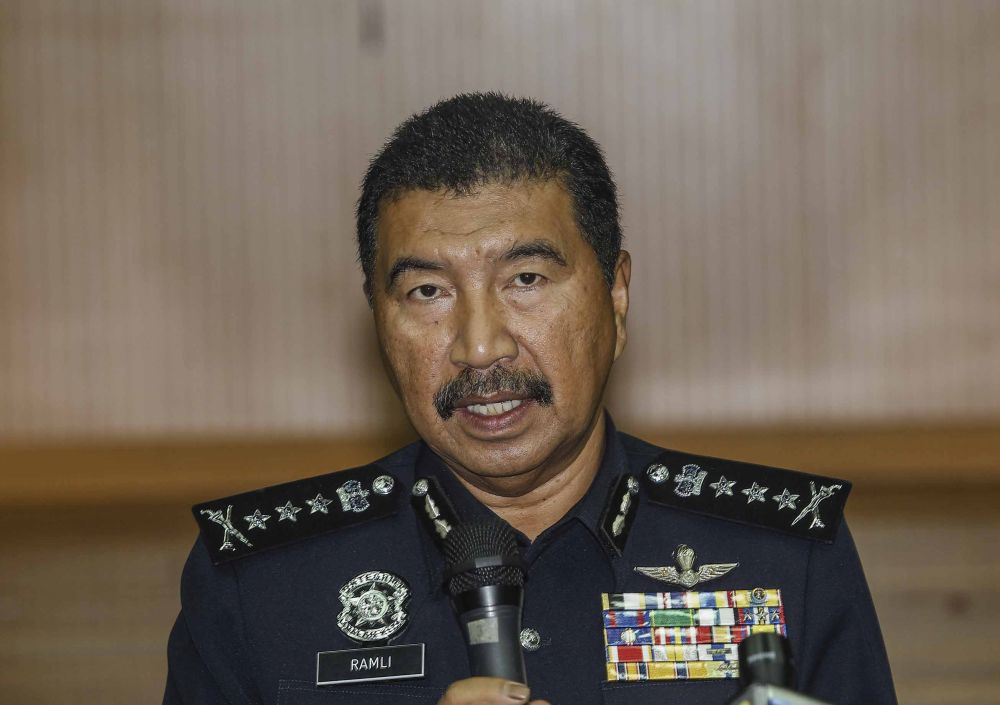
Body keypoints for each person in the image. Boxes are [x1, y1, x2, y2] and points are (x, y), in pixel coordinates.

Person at [164, 93, 897, 705]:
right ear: (377, 320)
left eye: (526, 280)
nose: (480, 347)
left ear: (615, 294)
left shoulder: (784, 554)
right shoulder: (260, 582)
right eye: (427, 291)